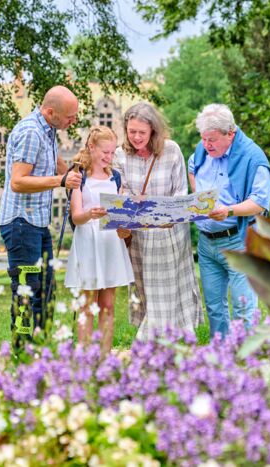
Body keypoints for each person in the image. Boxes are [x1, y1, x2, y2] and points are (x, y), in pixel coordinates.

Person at [0, 85, 82, 347]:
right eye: (69, 116)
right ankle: (22, 350)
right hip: (21, 224)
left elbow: (58, 164)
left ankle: (41, 348)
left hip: (37, 224)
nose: (73, 120)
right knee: (26, 288)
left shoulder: (48, 131)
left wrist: (79, 177)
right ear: (50, 111)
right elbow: (18, 182)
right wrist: (61, 181)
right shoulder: (31, 132)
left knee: (46, 291)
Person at [113, 102, 204, 340]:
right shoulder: (120, 154)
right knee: (145, 292)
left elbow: (180, 193)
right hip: (138, 236)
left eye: (141, 132)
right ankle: (165, 343)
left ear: (153, 130)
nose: (136, 137)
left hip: (168, 234)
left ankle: (152, 344)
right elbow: (119, 192)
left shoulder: (172, 150)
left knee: (166, 293)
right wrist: (130, 202)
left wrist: (151, 204)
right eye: (131, 131)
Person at [188, 103, 270, 338]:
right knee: (215, 309)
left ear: (231, 134)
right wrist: (200, 199)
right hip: (207, 244)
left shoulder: (252, 157)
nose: (207, 145)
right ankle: (221, 363)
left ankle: (246, 363)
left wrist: (229, 211)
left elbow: (260, 202)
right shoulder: (202, 149)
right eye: (204, 139)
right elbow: (192, 166)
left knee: (244, 308)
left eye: (212, 140)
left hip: (239, 241)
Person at [64, 126, 134, 355]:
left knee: (108, 305)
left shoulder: (115, 177)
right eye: (105, 151)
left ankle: (104, 356)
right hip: (88, 242)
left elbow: (120, 212)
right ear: (91, 148)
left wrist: (126, 220)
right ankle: (84, 357)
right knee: (87, 306)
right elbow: (76, 216)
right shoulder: (79, 176)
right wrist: (90, 214)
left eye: (112, 152)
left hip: (110, 243)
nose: (109, 157)